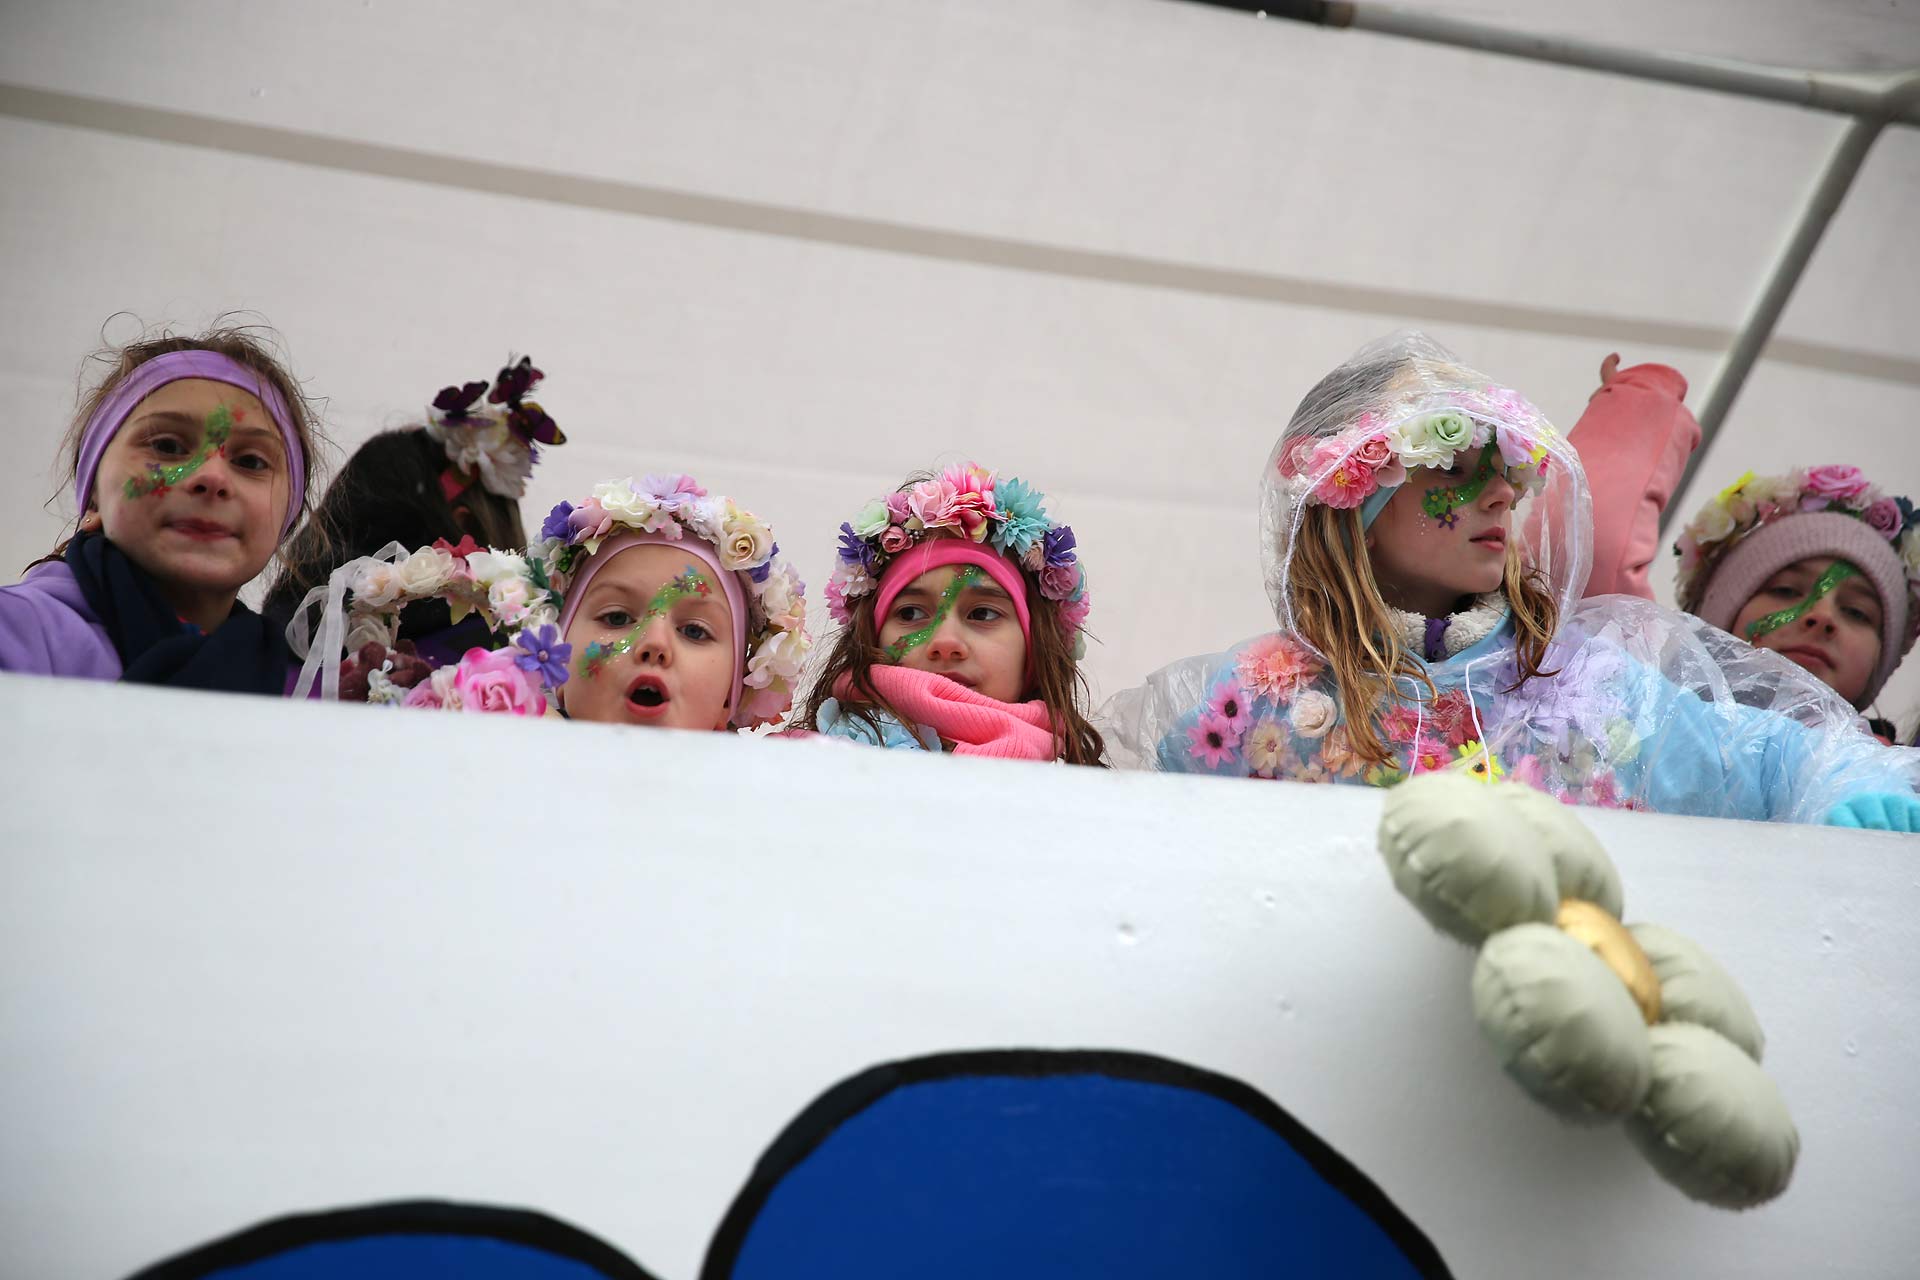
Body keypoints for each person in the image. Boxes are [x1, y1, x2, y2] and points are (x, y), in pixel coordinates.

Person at [1104, 331, 1919, 830]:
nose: (1500, 493)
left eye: (1506, 469)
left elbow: (1777, 761)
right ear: (1353, 504)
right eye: (1452, 467)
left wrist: (1842, 791)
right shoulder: (1243, 705)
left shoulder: (1594, 691)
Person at [0, 324, 324, 693]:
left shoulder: (313, 694)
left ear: (286, 519)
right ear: (93, 498)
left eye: (250, 462)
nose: (212, 477)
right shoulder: (14, 632)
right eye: (168, 446)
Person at [792, 463, 1104, 764]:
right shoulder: (798, 766)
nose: (945, 642)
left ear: (1035, 644)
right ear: (870, 638)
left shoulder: (1087, 793)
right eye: (910, 613)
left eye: (983, 614)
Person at [1673, 466, 1918, 745]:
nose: (1822, 616)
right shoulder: (1640, 729)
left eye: (1856, 611)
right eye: (1786, 590)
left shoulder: (1887, 771)